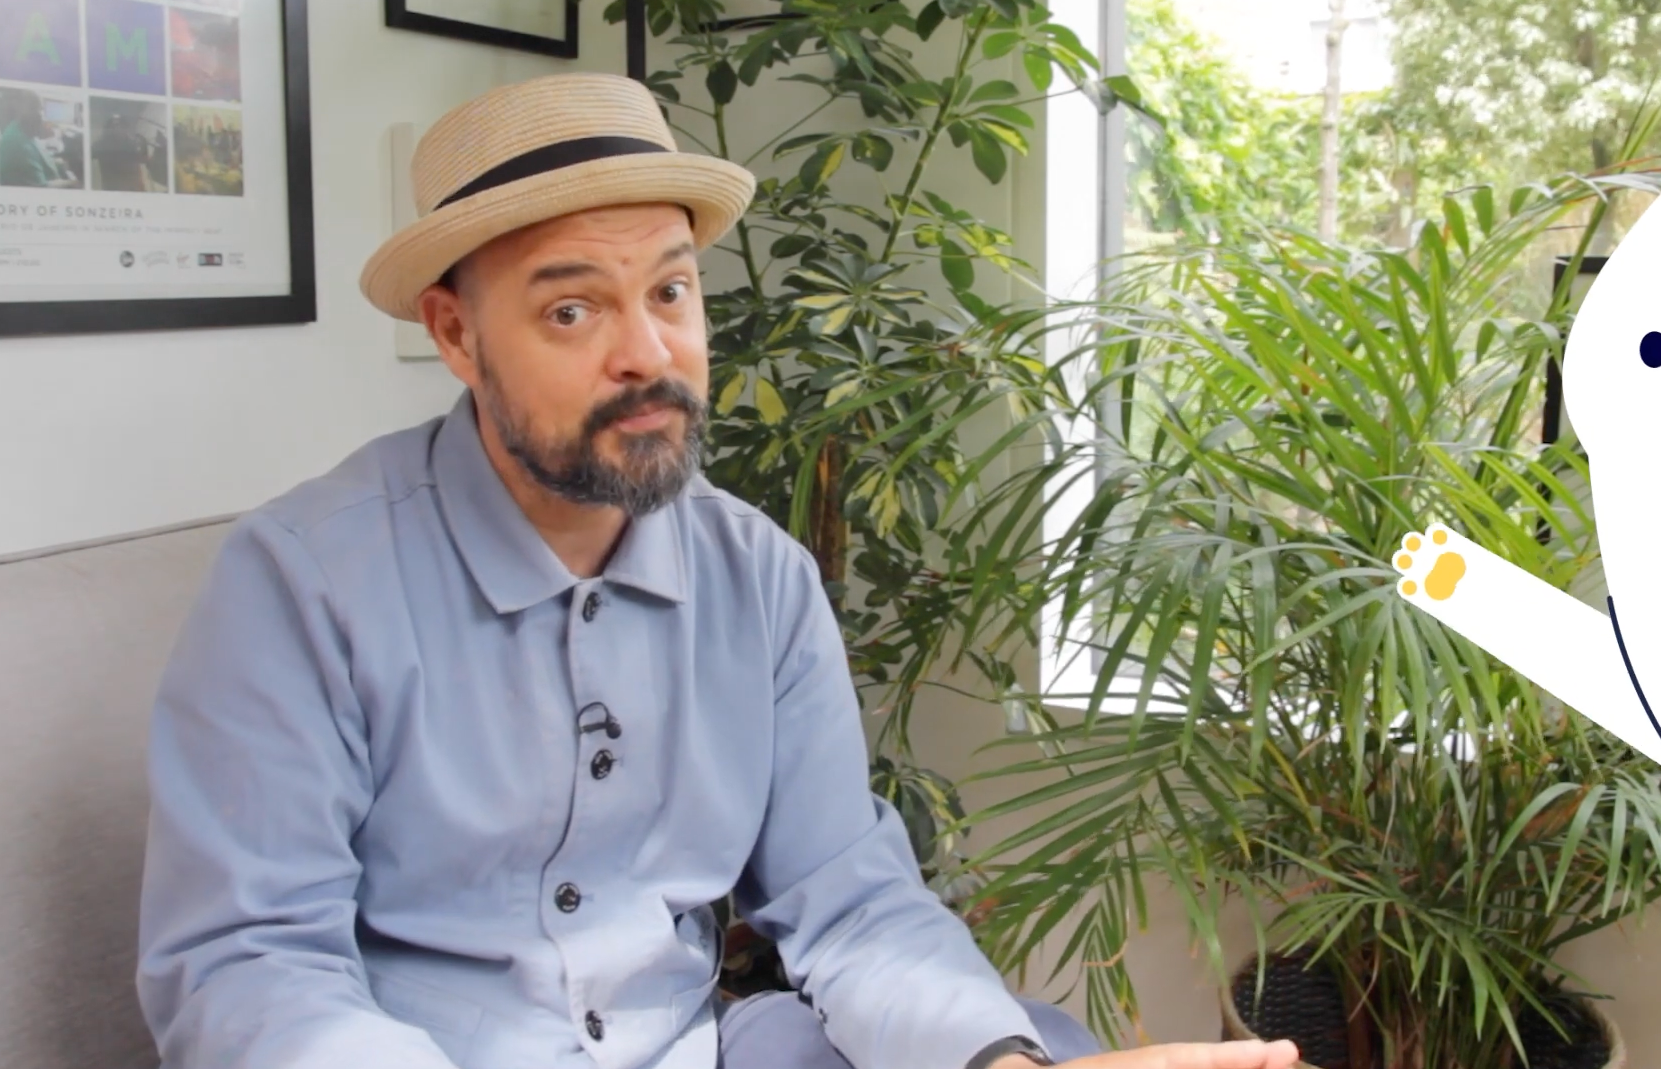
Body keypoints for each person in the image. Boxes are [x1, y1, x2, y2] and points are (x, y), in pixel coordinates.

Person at [134, 73, 1303, 1069]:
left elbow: (852, 897)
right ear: (454, 333)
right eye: (572, 309)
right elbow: (249, 965)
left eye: (671, 290)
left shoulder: (758, 578)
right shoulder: (302, 585)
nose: (647, 352)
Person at [0, 90, 78, 189]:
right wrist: (73, 183)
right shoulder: (17, 145)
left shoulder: (24, 132)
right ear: (23, 112)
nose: (42, 117)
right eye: (38, 110)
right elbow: (41, 188)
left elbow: (38, 157)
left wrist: (56, 163)